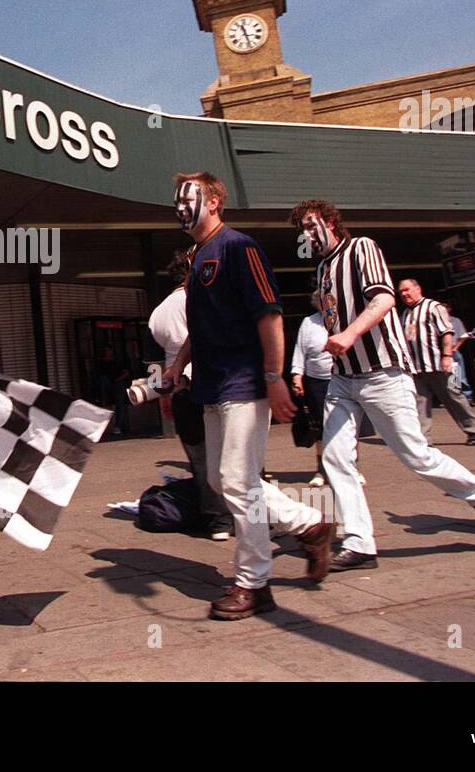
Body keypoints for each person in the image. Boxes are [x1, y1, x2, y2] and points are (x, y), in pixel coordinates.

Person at [289, 199, 475, 572]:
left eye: (309, 224)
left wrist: (348, 335)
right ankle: (360, 543)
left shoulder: (360, 247)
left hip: (383, 374)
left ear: (330, 221)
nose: (305, 233)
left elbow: (383, 298)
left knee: (416, 456)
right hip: (343, 379)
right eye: (300, 228)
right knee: (334, 458)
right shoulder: (324, 267)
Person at [166, 172, 334, 620]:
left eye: (190, 197)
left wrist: (275, 375)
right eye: (177, 200)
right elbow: (199, 324)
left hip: (243, 380)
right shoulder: (197, 254)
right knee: (225, 482)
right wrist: (179, 362)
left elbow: (270, 315)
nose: (181, 206)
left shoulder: (239, 247)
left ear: (216, 200)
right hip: (211, 384)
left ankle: (254, 583)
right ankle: (310, 525)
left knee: (237, 481)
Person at [148, 250, 231, 540]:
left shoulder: (158, 313)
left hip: (181, 391)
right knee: (236, 452)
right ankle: (253, 516)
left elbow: (159, 362)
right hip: (214, 383)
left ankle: (218, 521)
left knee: (200, 457)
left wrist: (164, 396)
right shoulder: (201, 299)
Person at [291, 288, 366, 487]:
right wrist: (297, 375)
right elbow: (300, 350)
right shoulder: (309, 322)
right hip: (316, 382)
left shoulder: (345, 320)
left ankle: (352, 467)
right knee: (320, 427)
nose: (326, 305)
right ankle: (322, 470)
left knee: (348, 426)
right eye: (322, 301)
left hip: (343, 377)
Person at [398, 279, 475, 445]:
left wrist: (447, 356)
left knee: (454, 396)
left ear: (418, 288)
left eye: (407, 289)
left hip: (439, 364)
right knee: (420, 402)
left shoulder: (434, 307)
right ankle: (423, 438)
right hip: (416, 367)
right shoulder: (405, 314)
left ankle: (473, 431)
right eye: (401, 292)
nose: (404, 294)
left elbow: (447, 332)